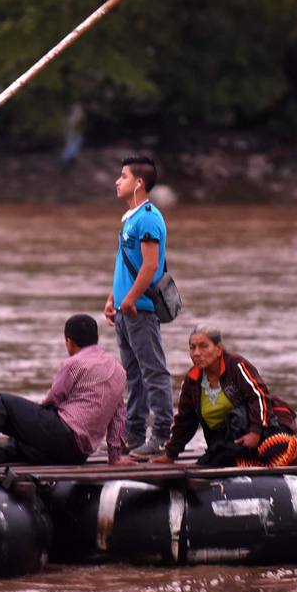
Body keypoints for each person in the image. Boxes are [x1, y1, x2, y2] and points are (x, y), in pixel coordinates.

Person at [151, 324, 297, 468]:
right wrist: (171, 454)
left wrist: (255, 432)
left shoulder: (236, 366)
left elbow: (259, 396)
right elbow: (185, 421)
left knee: (270, 450)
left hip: (263, 426)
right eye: (192, 348)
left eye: (203, 346)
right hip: (228, 439)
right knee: (222, 462)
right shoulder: (192, 382)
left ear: (218, 349)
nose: (196, 353)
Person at [0, 314, 135, 467]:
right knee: (17, 444)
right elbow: (118, 417)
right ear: (97, 338)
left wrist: (27, 416)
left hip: (64, 435)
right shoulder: (118, 370)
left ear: (69, 342)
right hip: (78, 455)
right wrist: (114, 457)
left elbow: (51, 400)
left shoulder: (74, 364)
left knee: (2, 402)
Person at [104, 155, 175, 458]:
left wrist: (130, 299)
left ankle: (160, 435)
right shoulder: (131, 217)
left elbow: (150, 266)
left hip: (140, 310)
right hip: (125, 310)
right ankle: (133, 434)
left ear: (139, 183)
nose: (117, 181)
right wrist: (113, 298)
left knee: (153, 373)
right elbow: (126, 264)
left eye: (123, 176)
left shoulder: (148, 218)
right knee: (133, 375)